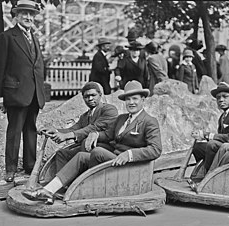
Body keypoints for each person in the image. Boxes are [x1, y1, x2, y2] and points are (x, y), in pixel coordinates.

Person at [22, 80, 162, 202]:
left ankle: (85, 188)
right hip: (114, 158)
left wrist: (130, 154)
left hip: (129, 164)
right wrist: (95, 135)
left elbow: (155, 149)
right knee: (81, 156)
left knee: (97, 151)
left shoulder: (149, 121)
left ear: (143, 99)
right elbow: (108, 135)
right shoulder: (122, 119)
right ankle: (51, 190)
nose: (131, 103)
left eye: (135, 99)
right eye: (128, 99)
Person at [0, 0, 46, 183]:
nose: (29, 17)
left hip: (34, 94)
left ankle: (30, 166)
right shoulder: (7, 37)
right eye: (24, 14)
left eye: (31, 15)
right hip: (15, 94)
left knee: (31, 129)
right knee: (14, 131)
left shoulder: (34, 37)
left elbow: (36, 66)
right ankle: (11, 169)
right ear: (16, 16)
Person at [43, 81, 118, 180]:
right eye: (86, 97)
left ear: (100, 95)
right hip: (87, 148)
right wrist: (55, 131)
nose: (90, 99)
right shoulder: (85, 116)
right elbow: (73, 129)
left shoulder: (109, 110)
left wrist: (66, 136)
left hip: (105, 150)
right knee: (61, 153)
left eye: (93, 95)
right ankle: (63, 184)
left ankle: (80, 180)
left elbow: (93, 128)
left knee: (83, 144)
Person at [191, 82, 229, 180]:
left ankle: (208, 177)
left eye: (225, 96)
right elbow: (222, 136)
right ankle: (204, 170)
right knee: (198, 147)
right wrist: (202, 137)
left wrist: (207, 135)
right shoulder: (224, 115)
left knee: (212, 145)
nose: (221, 100)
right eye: (218, 97)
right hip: (226, 146)